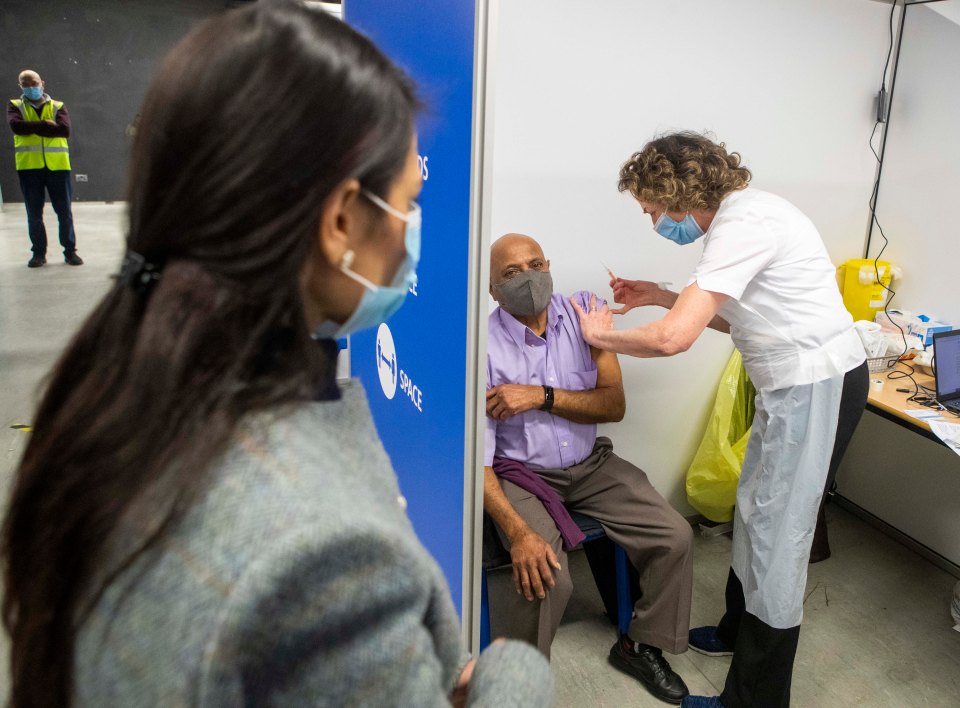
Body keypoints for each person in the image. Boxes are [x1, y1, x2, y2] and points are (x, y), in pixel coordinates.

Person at [0, 3, 551, 707]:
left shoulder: (114, 396)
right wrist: (510, 675)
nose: (412, 230)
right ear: (342, 221)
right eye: (409, 202)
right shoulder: (317, 552)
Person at [571, 133, 868, 708]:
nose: (653, 220)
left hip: (814, 384)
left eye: (652, 208)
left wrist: (599, 335)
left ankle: (753, 701)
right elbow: (742, 323)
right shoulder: (745, 217)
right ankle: (736, 634)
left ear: (678, 191)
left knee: (780, 539)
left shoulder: (743, 225)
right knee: (754, 510)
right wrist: (659, 293)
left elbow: (674, 338)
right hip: (792, 381)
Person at [485, 233, 693, 705]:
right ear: (493, 290)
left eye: (535, 264)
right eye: (511, 274)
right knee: (548, 575)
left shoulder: (585, 316)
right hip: (523, 475)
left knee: (674, 536)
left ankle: (640, 644)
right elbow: (479, 459)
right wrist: (519, 533)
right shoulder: (484, 349)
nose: (529, 279)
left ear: (550, 266)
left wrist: (539, 395)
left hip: (590, 464)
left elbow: (613, 405)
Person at [7, 69, 82, 268]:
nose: (31, 88)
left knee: (64, 211)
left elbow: (64, 131)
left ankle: (70, 252)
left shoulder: (58, 106)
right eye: (26, 84)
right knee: (34, 213)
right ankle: (38, 254)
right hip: (29, 168)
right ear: (20, 86)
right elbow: (16, 127)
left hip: (58, 167)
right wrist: (46, 125)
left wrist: (31, 127)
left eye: (34, 83)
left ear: (43, 83)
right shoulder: (15, 106)